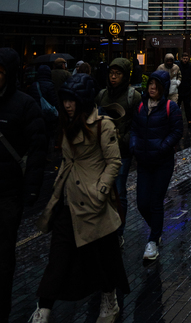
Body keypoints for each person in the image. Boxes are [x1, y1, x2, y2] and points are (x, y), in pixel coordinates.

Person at [32, 73, 128, 323]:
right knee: (58, 258)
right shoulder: (67, 123)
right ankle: (43, 310)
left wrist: (100, 191)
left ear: (83, 100)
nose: (67, 105)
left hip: (93, 204)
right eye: (64, 100)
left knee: (100, 260)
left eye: (72, 100)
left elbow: (114, 161)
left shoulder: (102, 124)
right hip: (67, 201)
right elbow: (67, 158)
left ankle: (110, 300)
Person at [0, 48, 46, 323]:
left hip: (8, 194)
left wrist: (31, 189)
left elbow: (38, 149)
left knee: (4, 256)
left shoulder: (25, 105)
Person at [130, 69, 182, 264]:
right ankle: (156, 230)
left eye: (156, 85)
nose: (152, 88)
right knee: (142, 202)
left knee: (155, 201)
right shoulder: (141, 106)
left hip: (162, 162)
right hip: (143, 162)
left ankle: (153, 241)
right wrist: (134, 145)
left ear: (163, 88)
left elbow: (177, 131)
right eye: (150, 84)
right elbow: (134, 128)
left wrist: (162, 147)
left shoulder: (171, 107)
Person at [95, 58, 141, 242]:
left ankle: (119, 232)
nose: (113, 77)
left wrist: (126, 139)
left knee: (120, 191)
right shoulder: (102, 95)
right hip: (102, 152)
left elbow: (138, 123)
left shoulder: (133, 96)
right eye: (111, 73)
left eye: (118, 74)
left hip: (122, 152)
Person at [178, 52, 191, 126]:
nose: (185, 60)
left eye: (186, 58)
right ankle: (179, 120)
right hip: (180, 88)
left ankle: (189, 120)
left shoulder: (190, 66)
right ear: (182, 58)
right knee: (178, 105)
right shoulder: (179, 66)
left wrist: (190, 83)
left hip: (186, 88)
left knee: (187, 106)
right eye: (184, 58)